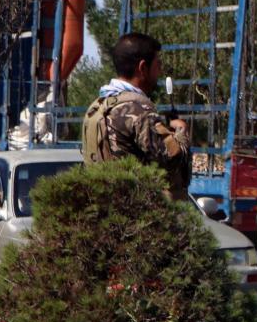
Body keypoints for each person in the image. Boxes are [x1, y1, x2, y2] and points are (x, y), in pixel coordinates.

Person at [82, 32, 191, 200]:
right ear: (142, 68)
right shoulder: (138, 109)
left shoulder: (98, 106)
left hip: (104, 208)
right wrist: (181, 133)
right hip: (135, 214)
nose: (160, 72)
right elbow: (171, 160)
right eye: (157, 65)